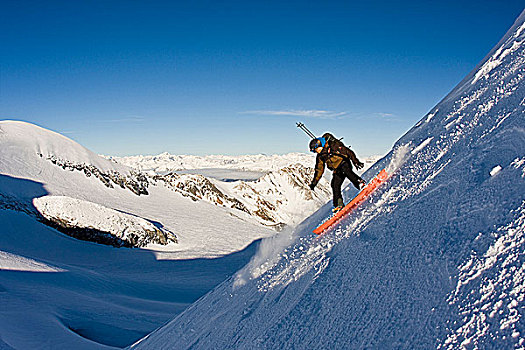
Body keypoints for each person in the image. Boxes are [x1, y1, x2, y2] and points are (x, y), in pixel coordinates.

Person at [309, 132, 366, 212]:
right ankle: (339, 204)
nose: (316, 152)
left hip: (344, 162)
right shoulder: (321, 156)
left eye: (315, 150)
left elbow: (347, 151)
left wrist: (355, 161)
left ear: (319, 146)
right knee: (335, 184)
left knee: (346, 171)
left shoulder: (333, 145)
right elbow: (319, 170)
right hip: (337, 169)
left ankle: (360, 183)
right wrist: (314, 183)